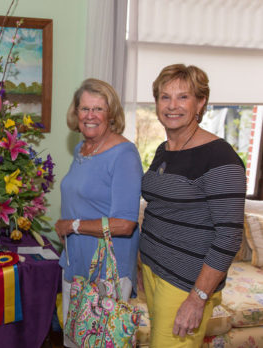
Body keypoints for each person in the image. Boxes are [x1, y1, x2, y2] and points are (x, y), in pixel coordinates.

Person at [140, 64, 246, 347]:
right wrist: (144, 270)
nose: (172, 106)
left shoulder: (220, 157)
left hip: (185, 285)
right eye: (165, 97)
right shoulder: (165, 150)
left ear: (200, 103)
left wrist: (197, 298)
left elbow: (229, 237)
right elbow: (160, 210)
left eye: (183, 97)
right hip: (154, 274)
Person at [55, 78, 143, 347]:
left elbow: (125, 223)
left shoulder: (124, 155)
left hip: (107, 271)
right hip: (76, 263)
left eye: (98, 109)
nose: (90, 116)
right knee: (74, 339)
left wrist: (73, 226)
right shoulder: (83, 149)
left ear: (112, 114)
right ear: (76, 113)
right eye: (84, 109)